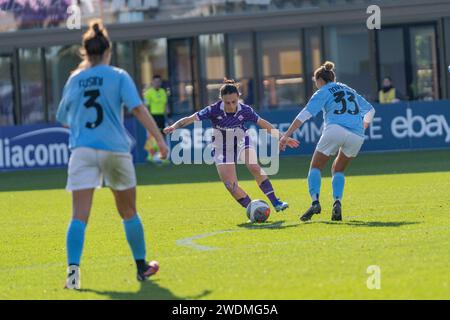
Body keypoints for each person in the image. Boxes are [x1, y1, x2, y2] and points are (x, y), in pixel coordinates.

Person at [56, 20, 168, 290]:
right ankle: (142, 268)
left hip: (82, 151)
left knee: (78, 216)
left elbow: (63, 117)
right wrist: (159, 139)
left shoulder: (74, 79)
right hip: (114, 149)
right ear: (108, 51)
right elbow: (139, 109)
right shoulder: (118, 75)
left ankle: (73, 276)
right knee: (128, 211)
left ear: (85, 52)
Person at [164, 79, 299, 215]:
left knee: (254, 167)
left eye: (234, 102)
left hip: (241, 139)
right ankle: (254, 210)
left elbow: (263, 123)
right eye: (227, 102)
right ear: (221, 99)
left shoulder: (245, 110)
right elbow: (189, 118)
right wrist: (174, 127)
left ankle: (276, 202)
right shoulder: (213, 109)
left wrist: (282, 137)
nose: (231, 105)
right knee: (231, 186)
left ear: (238, 97)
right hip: (221, 147)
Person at [280, 61, 375, 222]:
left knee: (316, 167)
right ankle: (337, 202)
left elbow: (305, 114)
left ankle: (315, 202)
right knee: (338, 169)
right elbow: (371, 110)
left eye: (315, 82)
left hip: (335, 129)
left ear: (320, 80)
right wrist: (363, 126)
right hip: (357, 135)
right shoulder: (348, 89)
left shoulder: (323, 91)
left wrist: (286, 135)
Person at [143, 75, 168, 164]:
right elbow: (146, 107)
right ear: (152, 82)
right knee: (151, 136)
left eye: (159, 82)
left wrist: (167, 117)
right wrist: (148, 118)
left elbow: (165, 106)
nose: (157, 83)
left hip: (161, 117)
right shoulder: (148, 92)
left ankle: (163, 156)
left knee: (162, 136)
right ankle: (150, 156)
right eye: (155, 81)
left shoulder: (163, 92)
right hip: (152, 116)